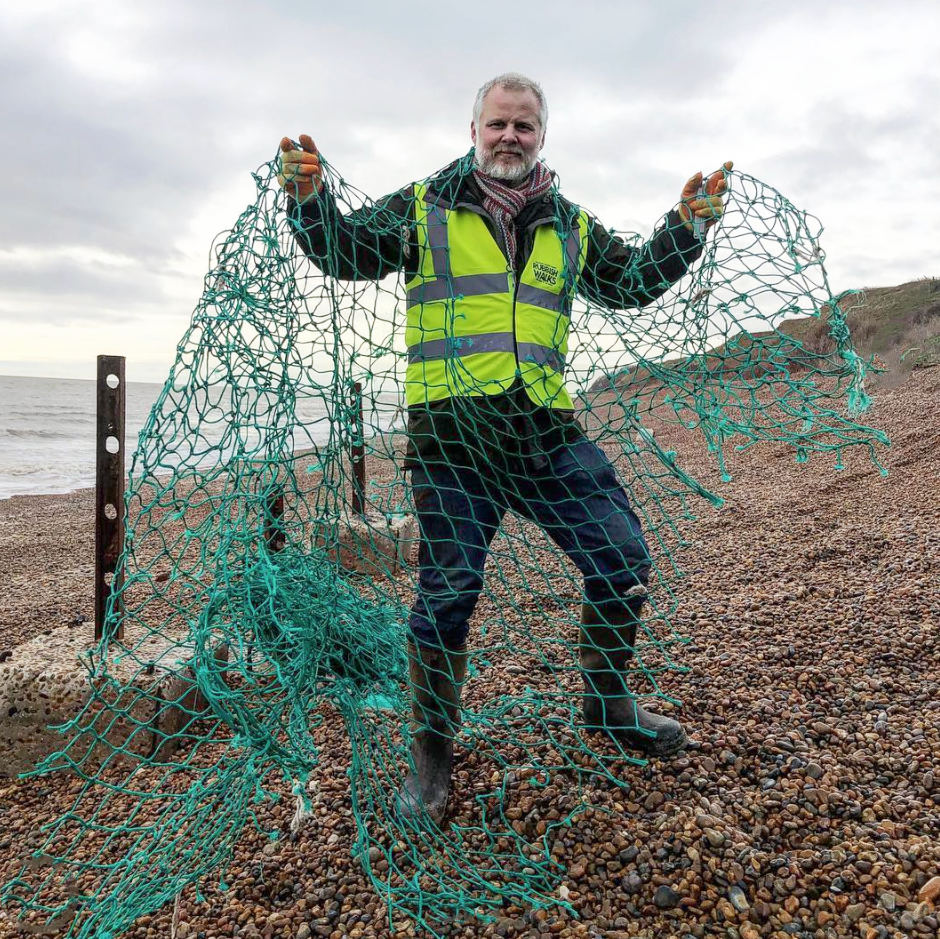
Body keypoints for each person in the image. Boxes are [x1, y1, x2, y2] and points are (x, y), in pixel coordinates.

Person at [279, 73, 731, 824]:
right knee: (448, 595)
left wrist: (685, 227)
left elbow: (632, 282)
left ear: (541, 137)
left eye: (524, 126)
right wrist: (308, 201)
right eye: (498, 124)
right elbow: (345, 250)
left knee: (622, 557)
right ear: (474, 131)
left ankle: (607, 701)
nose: (510, 137)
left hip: (543, 429)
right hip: (453, 437)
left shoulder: (569, 224)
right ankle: (431, 758)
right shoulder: (423, 205)